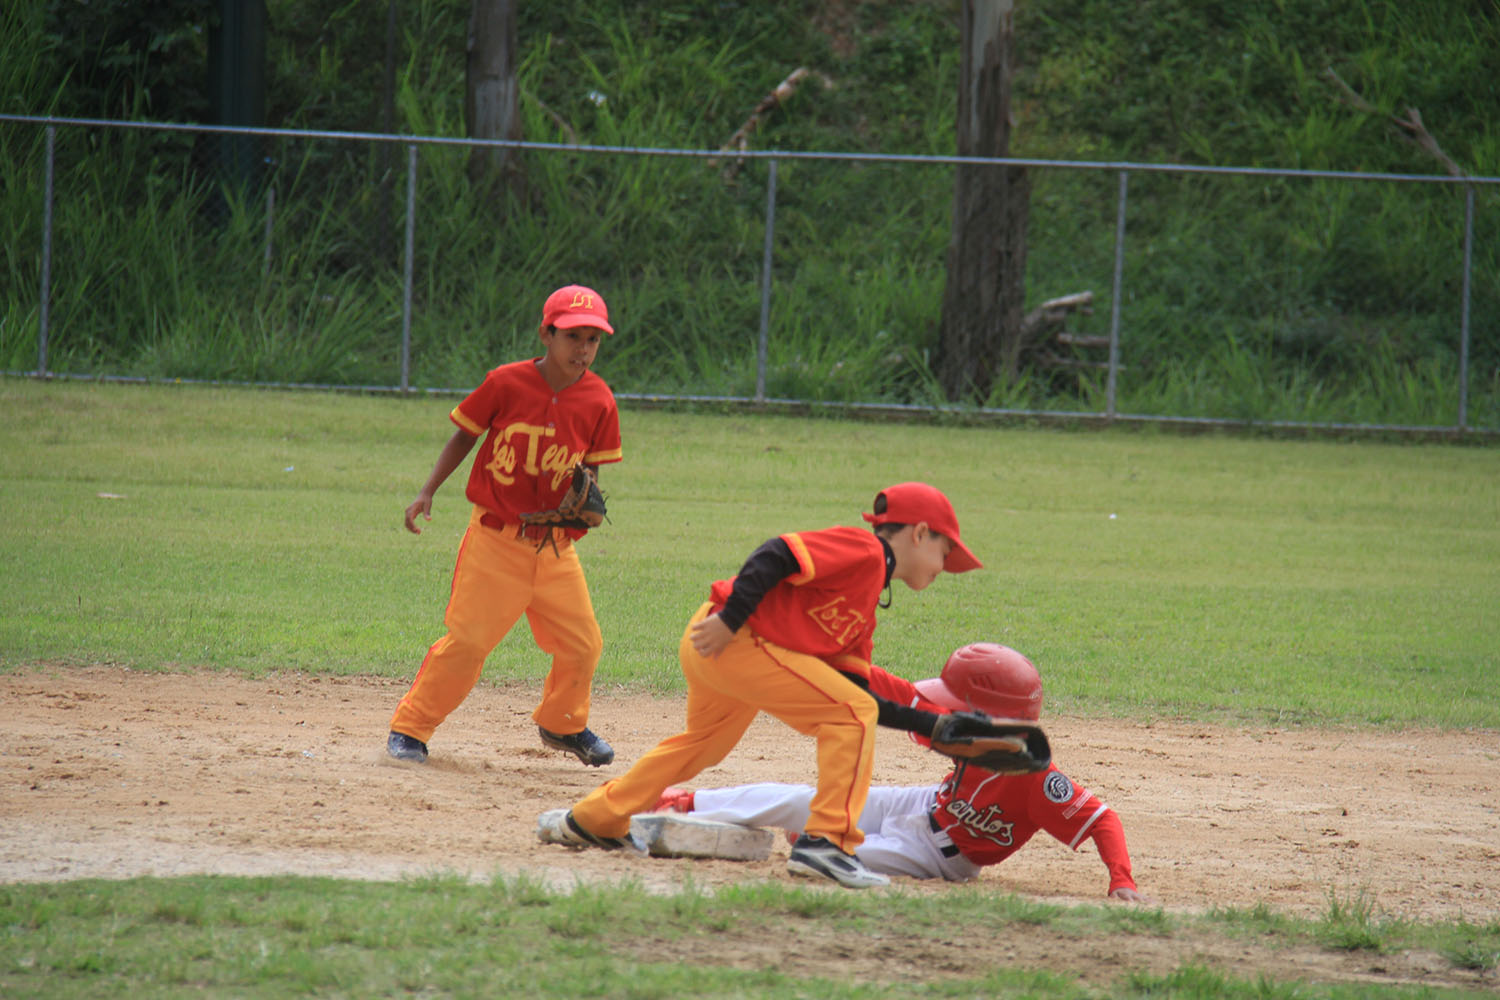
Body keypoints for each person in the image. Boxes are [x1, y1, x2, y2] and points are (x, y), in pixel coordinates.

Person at [541, 482, 982, 889]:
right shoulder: (866, 550)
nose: (947, 566)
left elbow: (857, 689)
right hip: (731, 637)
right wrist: (731, 620)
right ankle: (826, 843)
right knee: (850, 716)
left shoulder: (864, 605)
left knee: (704, 745)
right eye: (946, 552)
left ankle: (597, 817)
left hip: (729, 648)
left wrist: (935, 725)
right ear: (920, 533)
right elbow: (777, 554)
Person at [653, 643, 1151, 902]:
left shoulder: (1039, 778)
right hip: (919, 804)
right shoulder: (980, 733)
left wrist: (1121, 882)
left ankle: (812, 838)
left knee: (825, 848)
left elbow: (1103, 820)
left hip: (942, 859)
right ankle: (689, 802)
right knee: (809, 797)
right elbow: (904, 700)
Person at [386, 284, 622, 768]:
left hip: (555, 548)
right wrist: (428, 490)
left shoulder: (600, 399)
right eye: (573, 336)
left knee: (583, 643)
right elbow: (464, 436)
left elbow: (592, 470)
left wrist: (586, 501)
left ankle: (562, 724)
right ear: (546, 334)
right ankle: (410, 728)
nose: (583, 349)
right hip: (495, 539)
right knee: (469, 641)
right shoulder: (506, 383)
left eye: (593, 339)